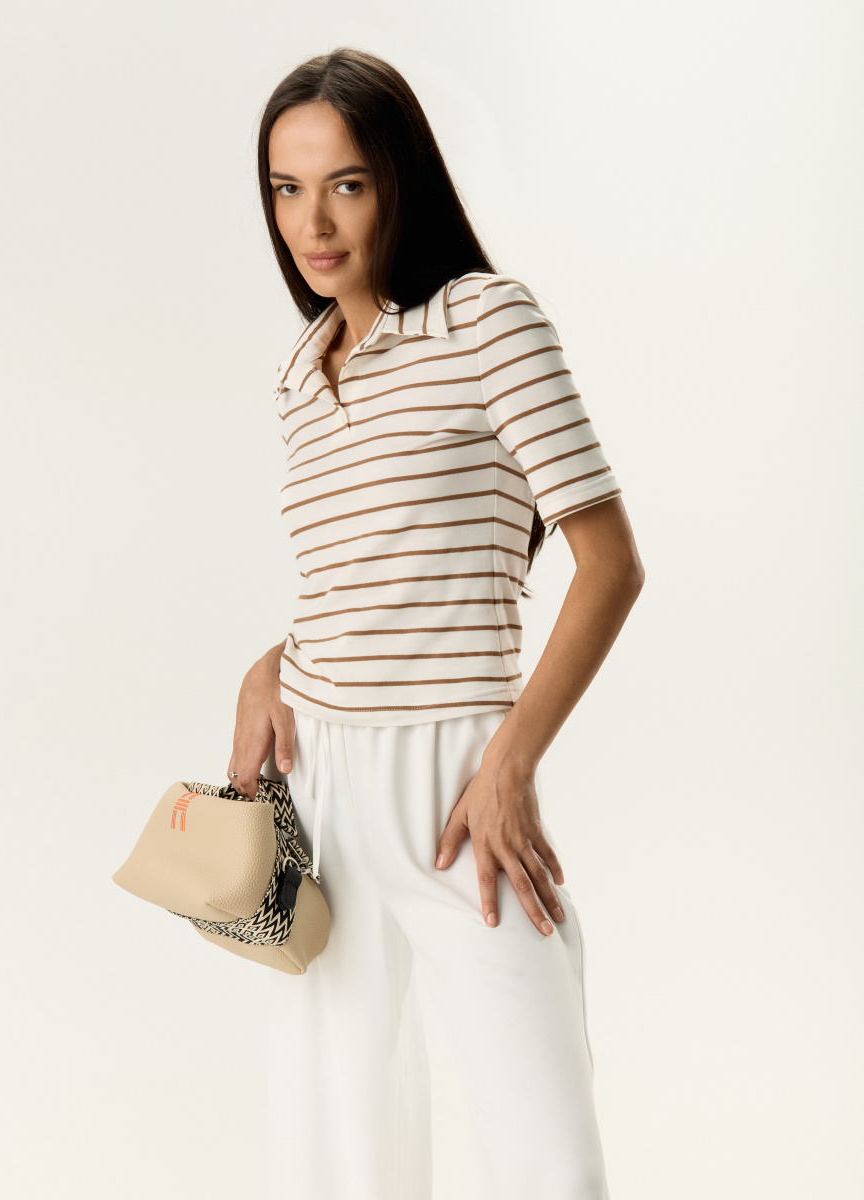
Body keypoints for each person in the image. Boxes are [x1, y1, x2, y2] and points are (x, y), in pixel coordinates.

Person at [228, 47, 644, 1200]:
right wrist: (268, 669)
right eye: (286, 188)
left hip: (457, 778)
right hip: (317, 773)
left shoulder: (486, 322)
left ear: (399, 181)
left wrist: (510, 762)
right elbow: (360, 580)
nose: (313, 223)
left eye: (346, 184)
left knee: (545, 1146)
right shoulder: (302, 369)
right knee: (331, 1139)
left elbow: (611, 565)